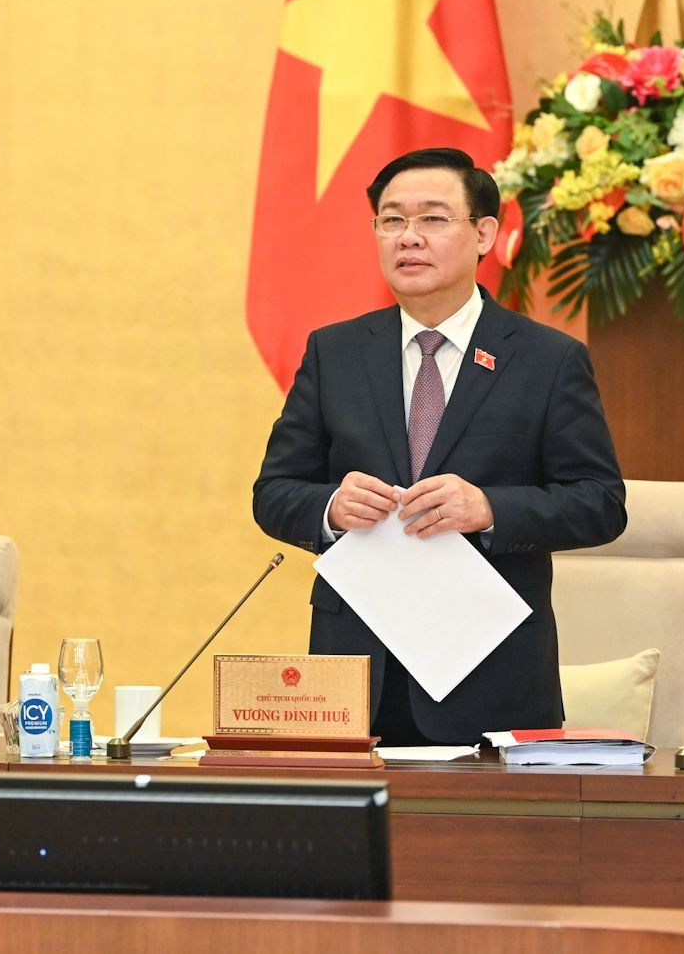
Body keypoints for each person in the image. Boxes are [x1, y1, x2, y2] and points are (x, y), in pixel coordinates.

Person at [253, 148, 628, 744]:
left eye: (432, 219)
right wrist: (329, 508)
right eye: (392, 220)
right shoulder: (336, 353)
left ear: (484, 234)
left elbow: (600, 503)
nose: (409, 238)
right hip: (355, 680)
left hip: (490, 676)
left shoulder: (547, 360)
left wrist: (490, 509)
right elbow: (273, 493)